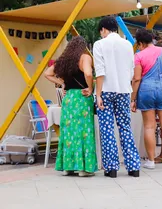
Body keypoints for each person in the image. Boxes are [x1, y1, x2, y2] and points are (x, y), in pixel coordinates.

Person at [93, 16, 141, 178]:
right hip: (124, 90)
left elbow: (100, 72)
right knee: (125, 127)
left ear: (103, 30)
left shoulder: (99, 44)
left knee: (107, 129)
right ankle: (133, 167)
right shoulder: (128, 44)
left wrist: (98, 94)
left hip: (106, 89)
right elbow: (132, 70)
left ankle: (111, 168)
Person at [44, 36, 97, 177]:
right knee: (83, 133)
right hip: (82, 97)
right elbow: (88, 73)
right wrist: (90, 88)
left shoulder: (63, 60)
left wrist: (62, 83)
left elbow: (47, 74)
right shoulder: (85, 57)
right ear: (83, 47)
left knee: (68, 133)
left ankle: (68, 167)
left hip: (68, 100)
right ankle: (83, 168)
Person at [131, 29, 162, 170]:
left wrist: (132, 99)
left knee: (149, 126)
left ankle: (151, 161)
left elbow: (136, 79)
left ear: (140, 43)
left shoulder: (139, 56)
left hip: (146, 91)